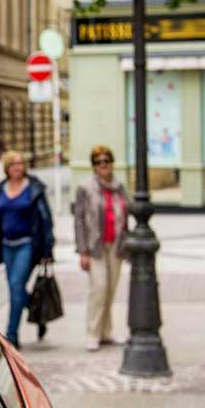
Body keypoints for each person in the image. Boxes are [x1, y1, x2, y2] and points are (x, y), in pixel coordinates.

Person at [0, 151, 54, 347]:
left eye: (20, 163)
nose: (17, 167)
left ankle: (11, 335)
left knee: (15, 285)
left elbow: (46, 220)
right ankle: (38, 313)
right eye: (13, 164)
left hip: (28, 244)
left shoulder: (34, 188)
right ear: (7, 168)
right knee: (17, 289)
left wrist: (48, 249)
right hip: (7, 245)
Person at [73, 145, 128, 351]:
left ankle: (106, 332)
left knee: (111, 289)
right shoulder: (85, 188)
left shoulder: (119, 186)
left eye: (107, 161)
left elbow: (127, 212)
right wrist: (82, 251)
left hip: (116, 244)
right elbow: (79, 220)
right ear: (94, 166)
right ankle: (92, 333)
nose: (103, 165)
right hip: (94, 246)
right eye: (98, 162)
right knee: (99, 288)